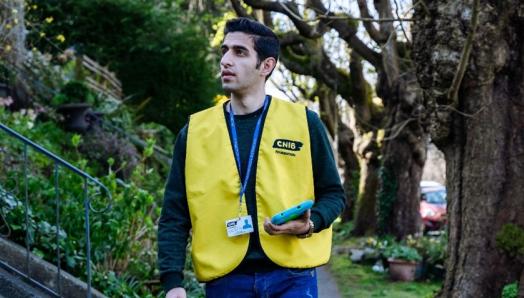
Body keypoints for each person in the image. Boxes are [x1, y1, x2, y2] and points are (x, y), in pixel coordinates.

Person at [158, 17, 345, 298]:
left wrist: (311, 223)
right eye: (224, 50)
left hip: (293, 279)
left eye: (239, 52)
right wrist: (172, 283)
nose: (226, 61)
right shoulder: (194, 132)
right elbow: (174, 213)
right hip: (226, 282)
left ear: (266, 66)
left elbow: (334, 195)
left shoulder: (305, 123)